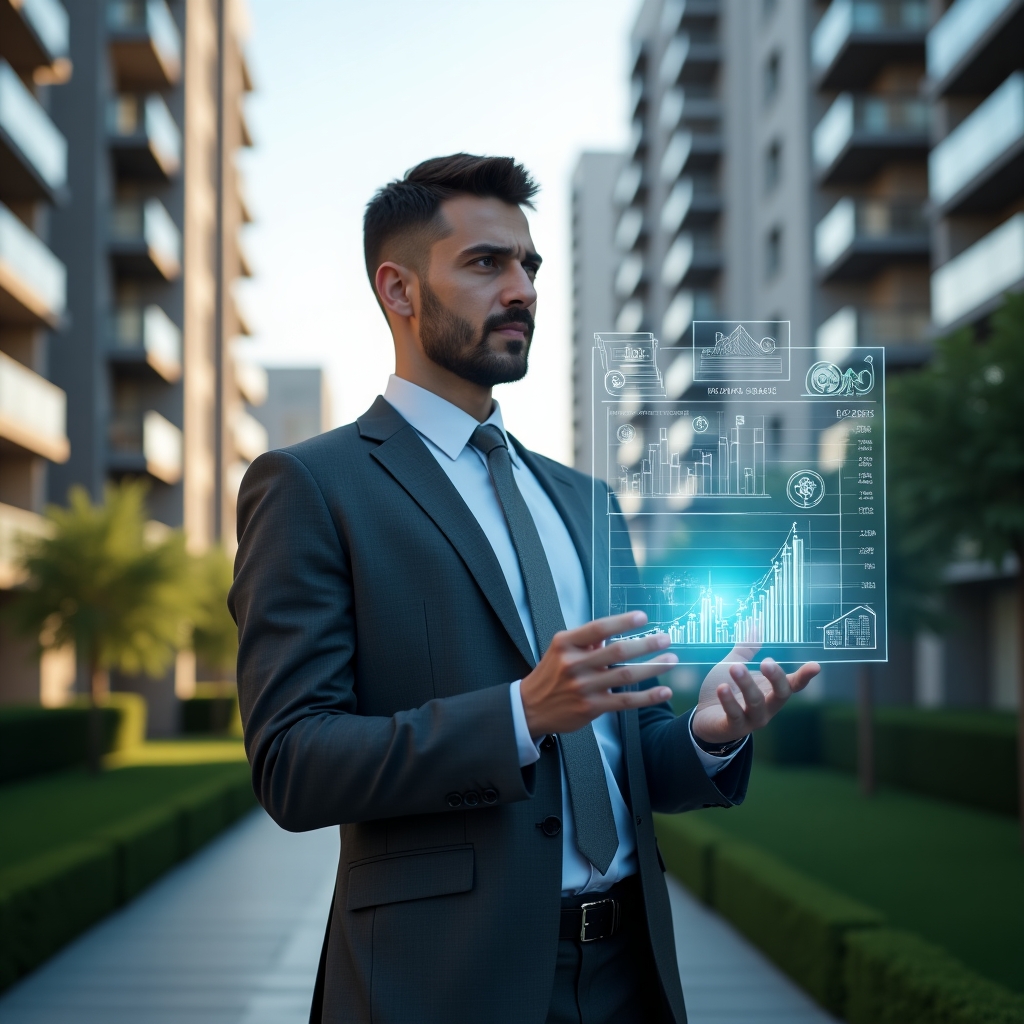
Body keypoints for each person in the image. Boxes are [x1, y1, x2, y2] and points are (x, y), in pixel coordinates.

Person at [229, 153, 820, 1024]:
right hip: (436, 984)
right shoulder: (311, 487)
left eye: (530, 266)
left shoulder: (587, 503)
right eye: (485, 264)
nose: (522, 289)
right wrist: (518, 714)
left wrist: (707, 732)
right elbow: (293, 764)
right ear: (398, 290)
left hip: (629, 974)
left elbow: (624, 748)